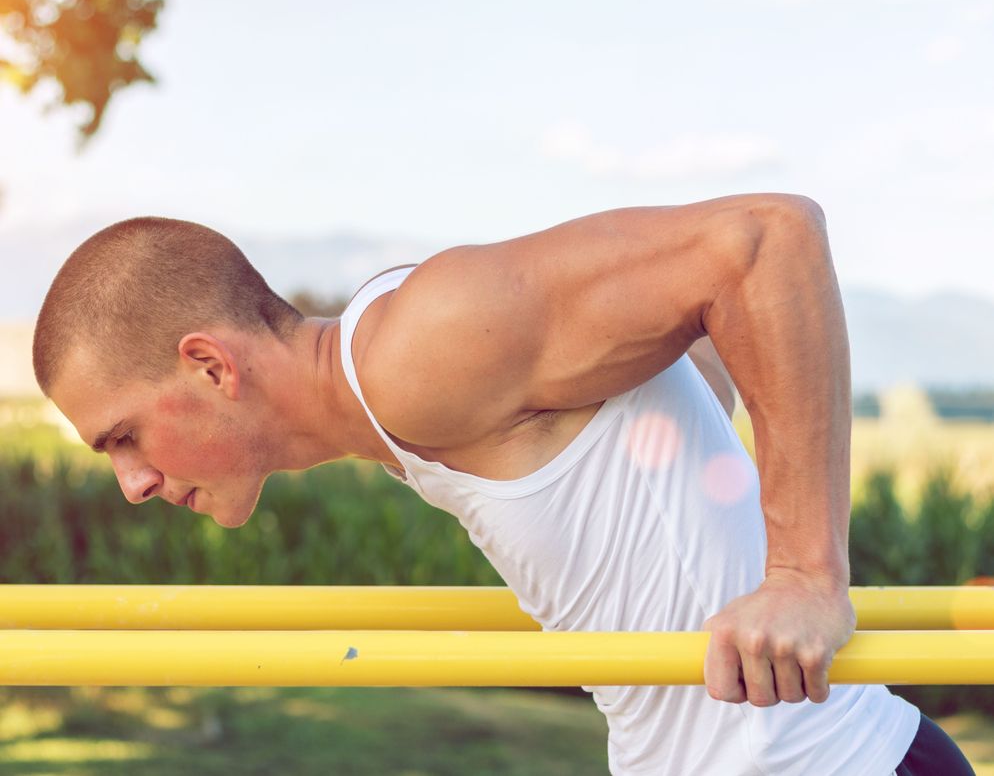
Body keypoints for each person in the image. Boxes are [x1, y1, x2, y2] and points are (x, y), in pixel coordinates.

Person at [32, 193, 973, 775]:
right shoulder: (391, 394)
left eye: (124, 437)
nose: (133, 484)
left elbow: (767, 240)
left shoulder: (418, 350)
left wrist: (804, 575)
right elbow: (677, 349)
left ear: (209, 366)